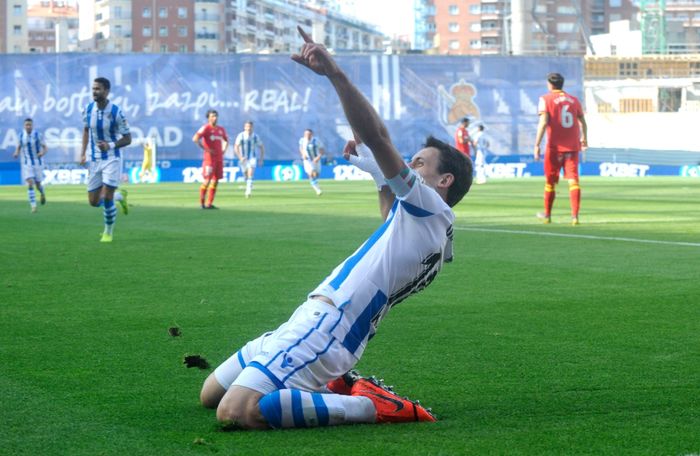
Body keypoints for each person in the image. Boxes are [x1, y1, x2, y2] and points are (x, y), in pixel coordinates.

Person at [199, 26, 473, 431]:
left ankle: (368, 406)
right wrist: (378, 175)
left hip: (328, 326)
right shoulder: (429, 228)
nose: (410, 167)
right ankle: (334, 383)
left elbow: (380, 138)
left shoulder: (430, 208)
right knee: (210, 394)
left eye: (419, 163)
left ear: (443, 182)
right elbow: (390, 220)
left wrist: (336, 76)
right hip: (310, 320)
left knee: (236, 412)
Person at [80, 77, 131, 243]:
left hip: (112, 158)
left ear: (106, 91)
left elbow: (128, 139)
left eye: (98, 89)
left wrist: (109, 145)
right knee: (93, 202)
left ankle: (108, 232)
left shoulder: (116, 112)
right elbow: (86, 131)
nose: (94, 91)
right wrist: (83, 153)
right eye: (93, 88)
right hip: (94, 160)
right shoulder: (88, 109)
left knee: (107, 196)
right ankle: (119, 196)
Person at [534, 72, 588, 225]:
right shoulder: (574, 100)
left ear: (550, 84)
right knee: (573, 181)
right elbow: (583, 122)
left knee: (550, 182)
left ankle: (548, 215)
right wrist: (585, 138)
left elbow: (543, 122)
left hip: (554, 147)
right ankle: (575, 217)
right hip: (572, 147)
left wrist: (537, 144)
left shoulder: (545, 99)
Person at [193, 110, 229, 209]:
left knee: (216, 180)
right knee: (207, 180)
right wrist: (206, 149)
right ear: (208, 118)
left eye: (216, 116)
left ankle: (209, 204)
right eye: (212, 116)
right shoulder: (206, 128)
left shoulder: (221, 129)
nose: (215, 118)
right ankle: (202, 203)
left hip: (219, 159)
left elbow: (226, 140)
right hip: (209, 159)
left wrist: (223, 150)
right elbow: (195, 138)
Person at [13, 118, 48, 213]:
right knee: (30, 182)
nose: (28, 126)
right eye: (26, 125)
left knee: (38, 184)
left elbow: (45, 147)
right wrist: (16, 153)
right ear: (24, 126)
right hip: (27, 163)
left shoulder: (37, 135)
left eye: (30, 125)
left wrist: (42, 153)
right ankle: (33, 206)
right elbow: (19, 146)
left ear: (32, 126)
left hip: (37, 163)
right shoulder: (21, 135)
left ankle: (42, 193)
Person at [234, 121, 265, 198]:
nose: (248, 128)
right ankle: (249, 183)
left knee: (250, 173)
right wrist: (240, 157)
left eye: (250, 127)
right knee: (245, 175)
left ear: (252, 127)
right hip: (243, 159)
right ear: (244, 127)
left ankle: (248, 191)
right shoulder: (241, 136)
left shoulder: (255, 137)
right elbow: (236, 147)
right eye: (247, 126)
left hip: (252, 158)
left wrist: (261, 159)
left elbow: (261, 147)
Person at [298, 128, 325, 195]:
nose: (307, 135)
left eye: (309, 134)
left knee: (316, 175)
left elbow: (322, 150)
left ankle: (316, 186)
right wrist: (303, 154)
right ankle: (318, 190)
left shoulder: (316, 140)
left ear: (312, 134)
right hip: (307, 160)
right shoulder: (302, 140)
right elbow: (301, 148)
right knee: (311, 173)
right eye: (306, 134)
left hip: (316, 160)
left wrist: (318, 157)